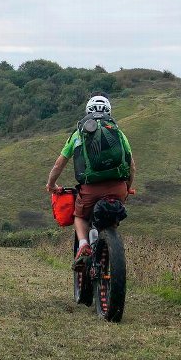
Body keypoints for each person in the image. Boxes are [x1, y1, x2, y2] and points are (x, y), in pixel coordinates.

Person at [45, 93, 135, 271]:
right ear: (109, 111)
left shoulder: (79, 134)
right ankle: (109, 244)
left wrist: (51, 185)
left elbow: (58, 164)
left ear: (87, 111)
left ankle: (85, 245)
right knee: (113, 215)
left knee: (79, 215)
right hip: (118, 188)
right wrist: (127, 188)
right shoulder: (118, 132)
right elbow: (132, 166)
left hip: (90, 190)